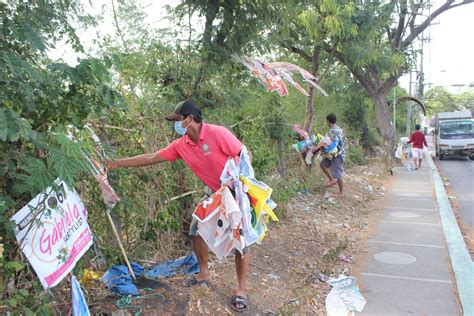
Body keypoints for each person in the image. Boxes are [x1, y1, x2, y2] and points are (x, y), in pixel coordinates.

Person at [107, 100, 250, 312]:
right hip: (213, 192)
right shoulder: (181, 145)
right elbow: (151, 157)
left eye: (177, 120)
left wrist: (235, 182)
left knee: (240, 238)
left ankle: (240, 289)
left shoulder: (217, 133)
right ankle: (203, 273)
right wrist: (117, 163)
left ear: (190, 118)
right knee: (196, 230)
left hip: (236, 191)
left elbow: (244, 156)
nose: (175, 124)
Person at [311, 113, 346, 196]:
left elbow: (334, 143)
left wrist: (326, 149)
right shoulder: (339, 129)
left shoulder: (333, 131)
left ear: (328, 121)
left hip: (337, 155)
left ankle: (341, 192)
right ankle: (331, 179)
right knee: (323, 164)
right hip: (332, 154)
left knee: (337, 174)